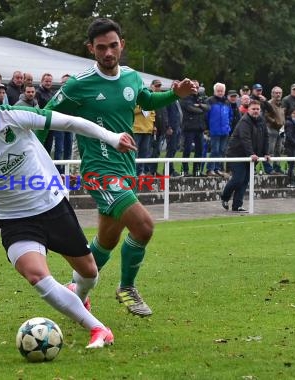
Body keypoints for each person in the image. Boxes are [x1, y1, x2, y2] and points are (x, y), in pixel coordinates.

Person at [0, 73, 137, 348]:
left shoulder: (14, 116)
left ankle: (78, 293)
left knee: (90, 273)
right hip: (14, 221)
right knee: (37, 276)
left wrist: (112, 138)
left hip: (52, 206)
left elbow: (68, 122)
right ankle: (99, 329)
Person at [41, 18, 197, 316]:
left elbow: (146, 99)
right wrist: (35, 156)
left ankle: (75, 294)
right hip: (99, 171)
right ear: (91, 49)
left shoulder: (131, 76)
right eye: (101, 48)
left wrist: (175, 94)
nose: (109, 52)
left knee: (107, 241)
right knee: (144, 226)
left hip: (125, 168)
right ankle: (127, 287)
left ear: (122, 44)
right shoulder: (79, 84)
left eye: (113, 45)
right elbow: (45, 116)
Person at [221, 100, 270, 212]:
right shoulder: (244, 121)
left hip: (251, 156)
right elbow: (245, 139)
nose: (256, 111)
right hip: (236, 154)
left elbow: (266, 137)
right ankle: (224, 197)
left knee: (245, 181)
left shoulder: (262, 120)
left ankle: (237, 205)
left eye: (258, 109)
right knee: (238, 178)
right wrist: (251, 153)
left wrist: (266, 152)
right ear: (248, 110)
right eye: (253, 109)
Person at [205, 82, 232, 177]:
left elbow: (230, 115)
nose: (220, 93)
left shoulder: (227, 102)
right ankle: (210, 169)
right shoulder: (209, 101)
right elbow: (206, 116)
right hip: (214, 130)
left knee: (222, 151)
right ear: (214, 91)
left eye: (222, 91)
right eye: (218, 91)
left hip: (225, 131)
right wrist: (208, 128)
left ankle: (217, 169)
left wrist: (228, 126)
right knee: (214, 150)